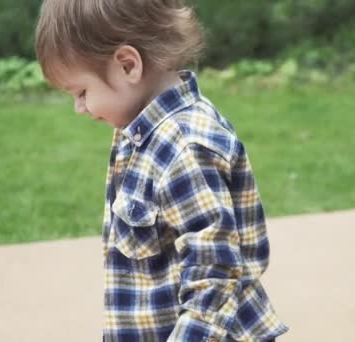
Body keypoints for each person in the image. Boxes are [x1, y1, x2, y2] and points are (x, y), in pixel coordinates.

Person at [34, 0, 289, 340]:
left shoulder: (184, 148)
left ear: (127, 65)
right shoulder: (142, 132)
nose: (79, 107)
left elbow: (214, 278)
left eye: (81, 92)